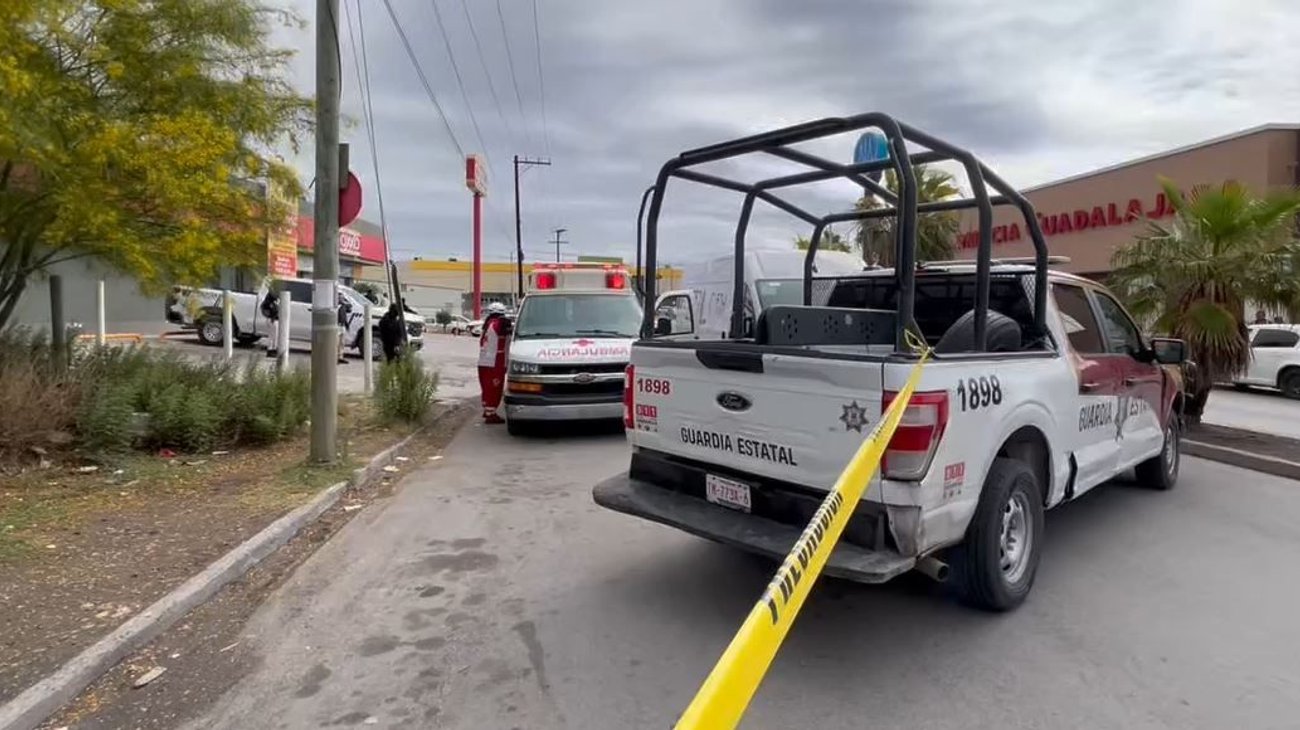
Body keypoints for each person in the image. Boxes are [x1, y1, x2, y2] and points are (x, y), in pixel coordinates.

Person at [477, 302, 510, 424]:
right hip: (496, 360)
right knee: (495, 387)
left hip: (483, 360)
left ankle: (487, 409)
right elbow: (506, 343)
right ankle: (491, 413)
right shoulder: (500, 324)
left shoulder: (487, 324)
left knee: (486, 386)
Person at [260, 286, 280, 359]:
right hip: (273, 320)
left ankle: (271, 349)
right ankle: (272, 350)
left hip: (270, 320)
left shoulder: (267, 302)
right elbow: (275, 312)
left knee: (271, 336)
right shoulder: (272, 303)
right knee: (274, 336)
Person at [336, 291, 353, 365]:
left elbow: (350, 307)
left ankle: (340, 357)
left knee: (342, 342)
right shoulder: (336, 306)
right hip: (336, 325)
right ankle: (335, 357)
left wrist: (345, 302)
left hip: (342, 325)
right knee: (336, 342)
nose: (341, 299)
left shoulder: (344, 306)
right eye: (340, 298)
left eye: (342, 298)